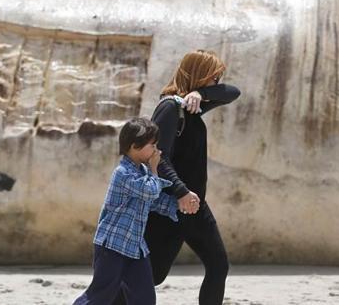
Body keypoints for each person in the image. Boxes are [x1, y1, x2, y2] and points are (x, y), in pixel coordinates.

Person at [114, 50, 241, 305]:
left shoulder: (193, 107)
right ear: (200, 74)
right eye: (213, 77)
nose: (217, 82)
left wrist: (202, 93)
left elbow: (233, 92)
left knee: (218, 266)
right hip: (169, 206)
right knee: (150, 275)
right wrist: (181, 191)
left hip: (195, 206)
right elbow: (158, 158)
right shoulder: (170, 108)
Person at [73, 118, 179, 305]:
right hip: (112, 246)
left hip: (135, 248)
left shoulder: (142, 172)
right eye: (152, 145)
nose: (156, 150)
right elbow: (150, 191)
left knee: (144, 298)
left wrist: (179, 204)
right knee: (100, 296)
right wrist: (155, 169)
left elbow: (152, 201)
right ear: (134, 146)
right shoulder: (123, 173)